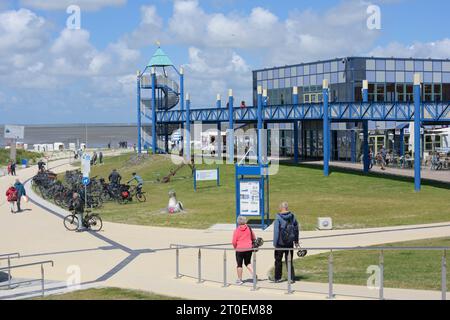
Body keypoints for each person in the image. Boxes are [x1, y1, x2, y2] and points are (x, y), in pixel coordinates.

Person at [272, 202, 299, 283]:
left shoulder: (278, 218)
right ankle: (291, 278)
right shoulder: (292, 216)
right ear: (287, 208)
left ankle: (277, 278)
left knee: (278, 260)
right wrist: (296, 240)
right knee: (289, 260)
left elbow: (276, 232)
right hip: (290, 242)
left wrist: (274, 243)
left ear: (281, 208)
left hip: (280, 243)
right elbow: (296, 229)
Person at [232, 216, 256, 285]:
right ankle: (253, 273)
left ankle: (239, 279)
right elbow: (253, 237)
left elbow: (234, 241)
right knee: (248, 262)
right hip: (249, 248)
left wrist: (235, 247)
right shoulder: (249, 229)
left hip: (239, 249)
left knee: (239, 265)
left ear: (238, 222)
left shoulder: (236, 230)